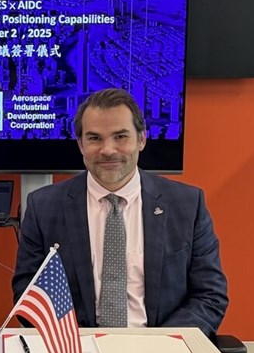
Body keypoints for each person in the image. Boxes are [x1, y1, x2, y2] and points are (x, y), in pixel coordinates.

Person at [12, 89, 228, 337]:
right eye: (94, 138)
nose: (108, 150)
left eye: (120, 136)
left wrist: (163, 343)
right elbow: (28, 292)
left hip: (163, 350)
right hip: (77, 350)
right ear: (81, 144)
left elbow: (209, 294)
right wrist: (74, 342)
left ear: (142, 139)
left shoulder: (187, 205)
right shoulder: (44, 207)